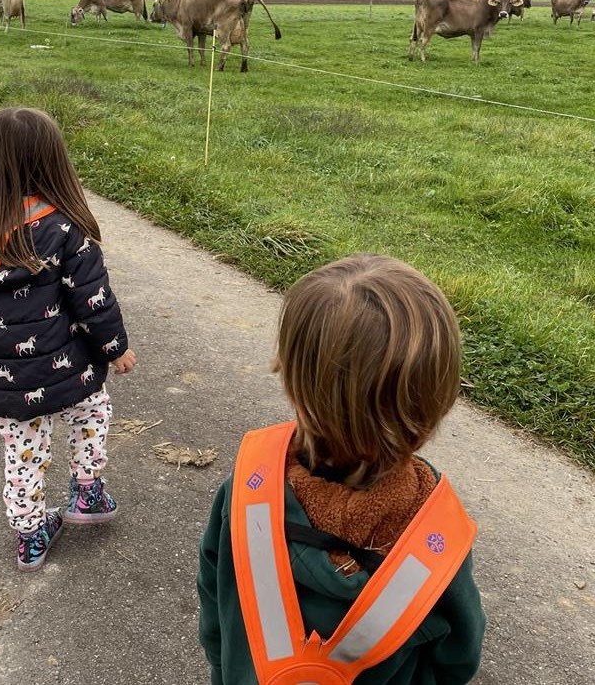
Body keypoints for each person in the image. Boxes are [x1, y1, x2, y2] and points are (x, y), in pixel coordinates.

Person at [198, 254, 485, 685]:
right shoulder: (434, 540)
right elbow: (458, 658)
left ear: (294, 383)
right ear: (434, 404)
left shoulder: (245, 496)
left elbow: (214, 614)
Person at [0, 107, 136, 571]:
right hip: (73, 369)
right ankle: (87, 492)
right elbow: (94, 301)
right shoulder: (64, 229)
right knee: (92, 414)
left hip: (4, 382)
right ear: (53, 162)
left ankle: (29, 536)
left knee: (23, 454)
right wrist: (116, 349)